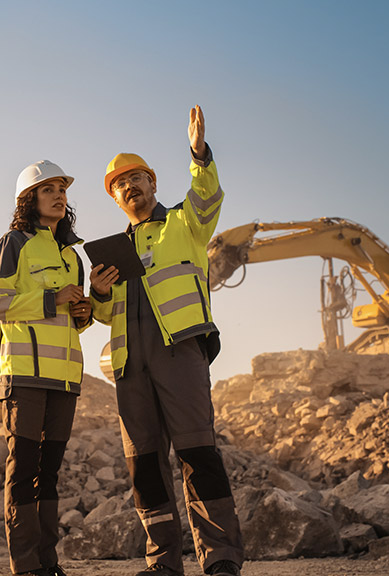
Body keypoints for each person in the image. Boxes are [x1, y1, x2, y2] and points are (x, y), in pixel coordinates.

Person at [88, 106, 245, 576]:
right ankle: (163, 563)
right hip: (129, 365)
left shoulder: (185, 224)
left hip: (180, 351)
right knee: (145, 465)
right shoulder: (111, 253)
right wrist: (97, 292)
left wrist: (199, 154)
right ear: (116, 198)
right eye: (121, 184)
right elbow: (101, 314)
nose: (130, 187)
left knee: (197, 453)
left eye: (137, 178)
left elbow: (207, 196)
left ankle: (219, 558)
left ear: (153, 184)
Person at [0, 160, 92, 576]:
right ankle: (26, 566)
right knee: (23, 469)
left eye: (62, 189)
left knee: (49, 474)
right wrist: (51, 299)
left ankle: (49, 562)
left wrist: (83, 310)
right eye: (49, 189)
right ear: (29, 199)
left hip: (64, 380)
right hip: (25, 377)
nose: (59, 195)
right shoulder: (14, 242)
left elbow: (74, 321)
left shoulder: (71, 255)